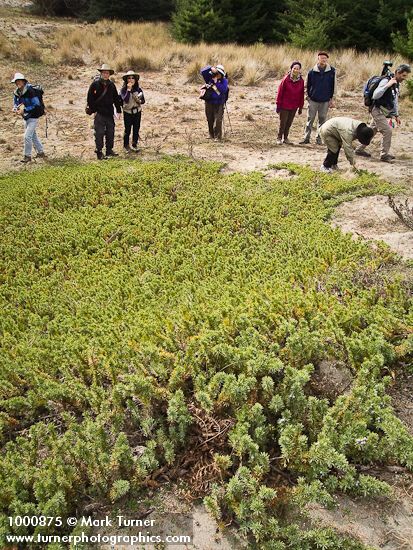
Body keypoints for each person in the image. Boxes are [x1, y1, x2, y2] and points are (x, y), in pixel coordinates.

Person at [355, 63, 411, 163]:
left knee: (372, 130)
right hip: (376, 109)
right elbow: (376, 95)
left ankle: (359, 149)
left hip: (382, 110)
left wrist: (396, 114)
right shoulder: (386, 81)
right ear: (398, 73)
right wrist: (387, 85)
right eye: (403, 76)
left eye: (406, 76)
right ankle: (384, 155)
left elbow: (394, 100)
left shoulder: (397, 84)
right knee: (387, 131)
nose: (404, 78)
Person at [86, 63, 122, 160]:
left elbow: (116, 99)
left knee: (110, 132)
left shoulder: (111, 85)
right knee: (99, 133)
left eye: (107, 73)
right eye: (104, 72)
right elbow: (90, 99)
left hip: (109, 113)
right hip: (99, 114)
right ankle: (99, 152)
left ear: (109, 74)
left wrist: (118, 110)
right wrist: (95, 110)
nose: (106, 74)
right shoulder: (95, 84)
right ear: (101, 73)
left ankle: (109, 151)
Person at [300, 52, 336, 145]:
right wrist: (307, 97)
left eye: (325, 58)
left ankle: (319, 139)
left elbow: (334, 86)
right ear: (318, 59)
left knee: (322, 121)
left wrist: (332, 99)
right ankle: (306, 138)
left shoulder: (332, 71)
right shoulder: (312, 71)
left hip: (325, 100)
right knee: (309, 120)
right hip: (313, 100)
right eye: (321, 58)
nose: (323, 60)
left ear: (327, 59)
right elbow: (306, 85)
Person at [11, 72, 46, 163]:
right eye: (16, 82)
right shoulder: (16, 92)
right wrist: (15, 108)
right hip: (25, 117)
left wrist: (25, 109)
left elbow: (36, 105)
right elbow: (15, 103)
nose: (18, 83)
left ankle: (27, 156)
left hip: (33, 116)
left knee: (27, 136)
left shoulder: (31, 91)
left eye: (19, 81)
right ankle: (41, 152)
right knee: (33, 135)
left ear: (23, 81)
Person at [275, 61, 304, 145]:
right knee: (283, 122)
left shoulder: (301, 81)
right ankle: (279, 138)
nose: (296, 70)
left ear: (299, 70)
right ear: (291, 69)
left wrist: (300, 107)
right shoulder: (286, 79)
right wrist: (278, 105)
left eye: (297, 69)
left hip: (294, 106)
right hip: (284, 105)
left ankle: (286, 138)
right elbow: (280, 92)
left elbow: (301, 94)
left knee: (289, 122)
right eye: (294, 68)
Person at [200, 64, 229, 141]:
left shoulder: (224, 81)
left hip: (219, 103)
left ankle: (218, 137)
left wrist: (216, 82)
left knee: (218, 120)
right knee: (210, 119)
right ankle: (211, 135)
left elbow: (223, 90)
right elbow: (202, 71)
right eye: (217, 73)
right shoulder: (209, 78)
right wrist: (211, 68)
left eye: (219, 73)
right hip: (209, 102)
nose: (217, 74)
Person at [120, 70, 145, 152]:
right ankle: (126, 145)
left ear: (135, 80)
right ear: (126, 80)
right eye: (129, 78)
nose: (131, 80)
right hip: (128, 112)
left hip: (137, 112)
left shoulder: (139, 89)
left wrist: (137, 97)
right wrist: (128, 90)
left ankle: (135, 144)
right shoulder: (123, 90)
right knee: (127, 129)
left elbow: (143, 101)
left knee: (136, 128)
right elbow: (125, 100)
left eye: (132, 78)